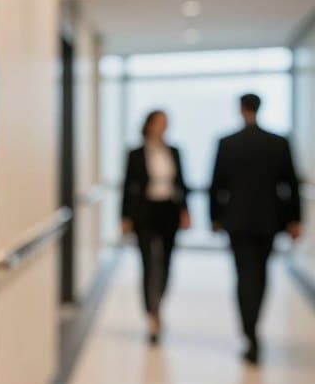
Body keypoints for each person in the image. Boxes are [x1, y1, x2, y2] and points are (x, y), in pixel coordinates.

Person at [210, 93, 302, 366]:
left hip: (237, 220)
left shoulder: (228, 143)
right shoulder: (277, 143)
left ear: (240, 109)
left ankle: (249, 330)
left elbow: (217, 186)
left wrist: (215, 218)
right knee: (260, 275)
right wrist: (294, 220)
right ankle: (254, 327)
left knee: (243, 275)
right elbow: (290, 186)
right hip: (268, 221)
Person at [122, 110, 191, 345]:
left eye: (166, 123)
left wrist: (185, 211)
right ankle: (152, 313)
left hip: (168, 212)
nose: (163, 127)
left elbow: (182, 184)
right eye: (159, 123)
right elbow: (127, 186)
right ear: (149, 125)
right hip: (145, 212)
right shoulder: (135, 154)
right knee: (148, 263)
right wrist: (125, 217)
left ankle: (158, 302)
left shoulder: (174, 152)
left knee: (166, 263)